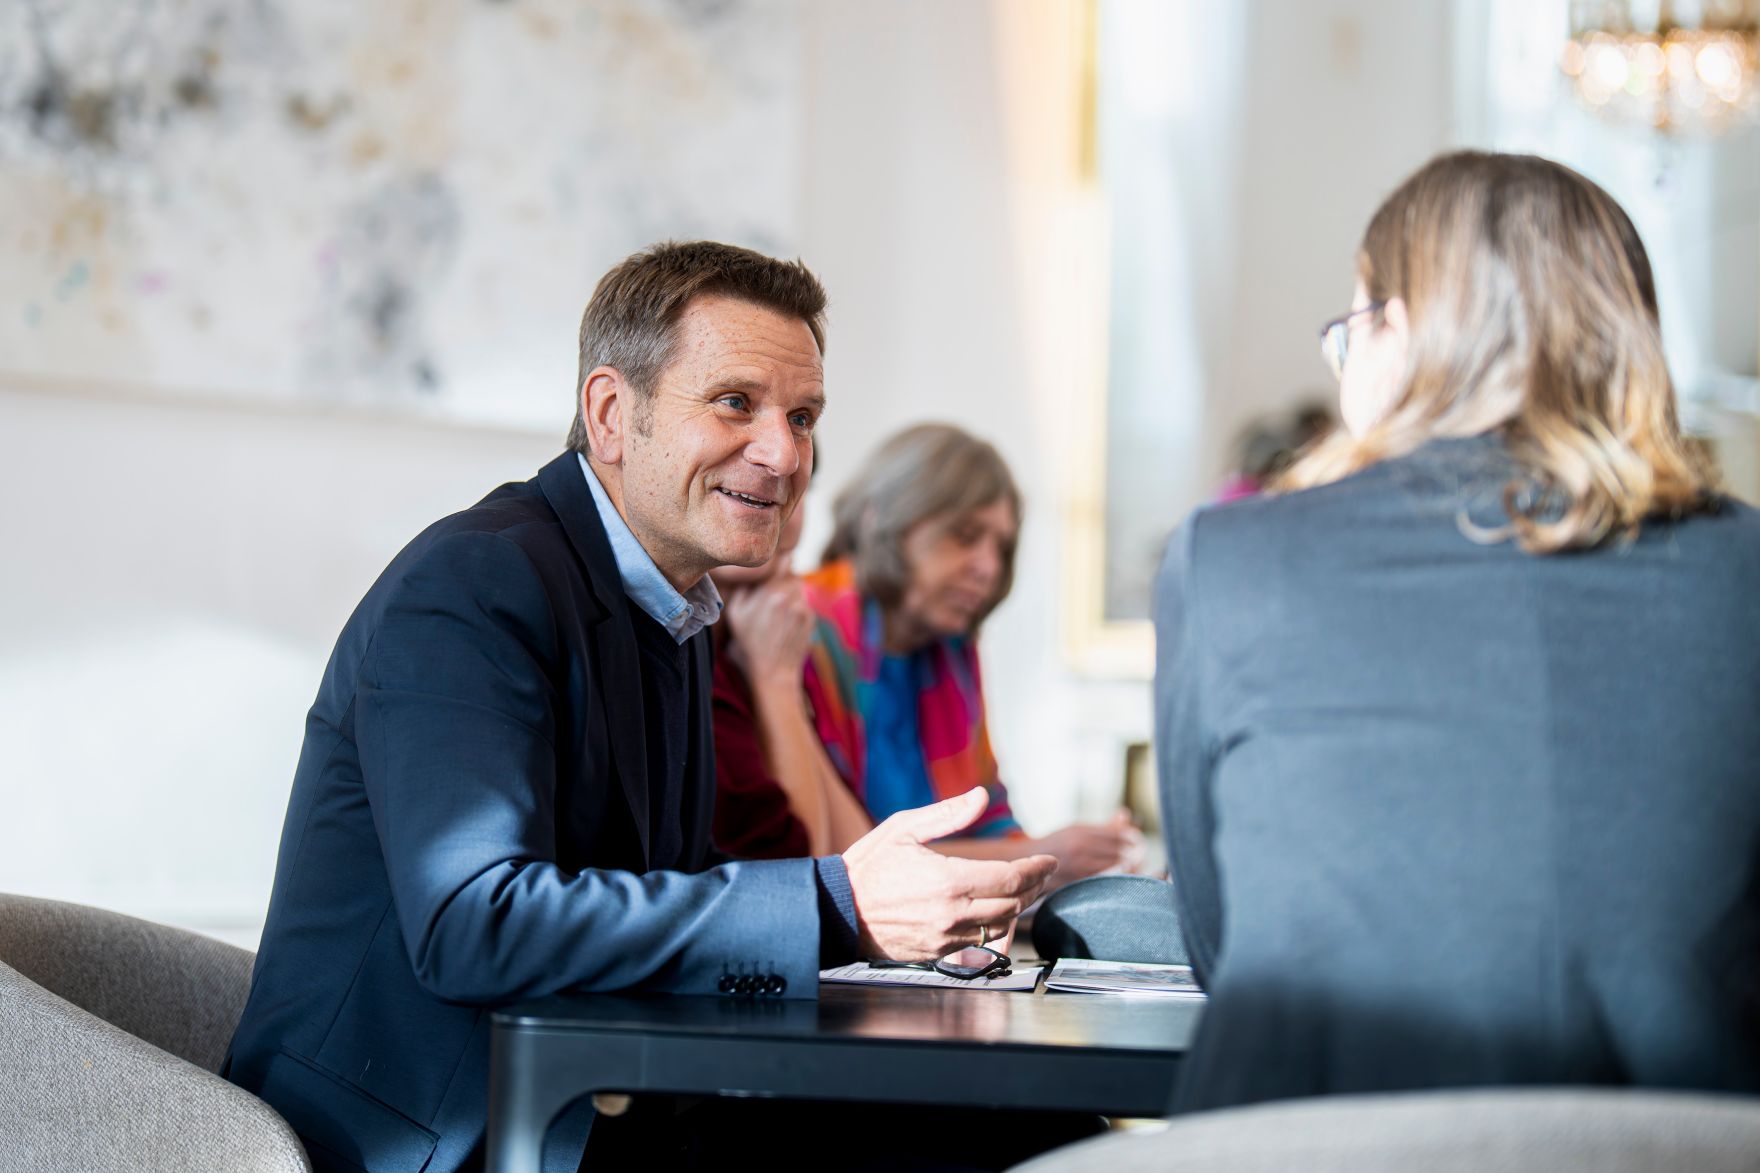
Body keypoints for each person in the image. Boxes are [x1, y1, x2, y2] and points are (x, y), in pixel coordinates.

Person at [222, 241, 1058, 1173]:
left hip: (606, 1099)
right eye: (736, 402)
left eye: (804, 415)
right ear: (613, 414)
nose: (784, 454)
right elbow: (477, 922)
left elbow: (679, 883)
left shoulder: (677, 608)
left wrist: (895, 927)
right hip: (443, 1137)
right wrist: (837, 904)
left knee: (1024, 1124)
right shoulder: (471, 582)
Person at [1154, 151, 1760, 1114]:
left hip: (1310, 1140)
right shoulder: (1745, 568)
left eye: (1351, 329)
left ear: (1397, 333)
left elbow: (1220, 944)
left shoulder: (1231, 559)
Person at [800, 422, 1142, 886]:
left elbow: (987, 811)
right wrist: (1040, 857)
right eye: (964, 536)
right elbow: (841, 858)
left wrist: (1067, 864)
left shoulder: (952, 652)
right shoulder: (801, 631)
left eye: (1000, 547)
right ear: (881, 521)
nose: (988, 566)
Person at [709, 474, 874, 858]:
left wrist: (779, 678)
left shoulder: (779, 632)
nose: (779, 508)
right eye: (743, 488)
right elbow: (802, 869)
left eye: (796, 488)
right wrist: (775, 680)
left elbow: (857, 852)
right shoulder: (688, 650)